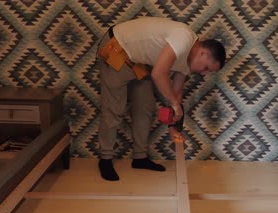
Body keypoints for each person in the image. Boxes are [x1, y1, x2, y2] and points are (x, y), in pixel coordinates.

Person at [96, 17, 226, 181]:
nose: (203, 73)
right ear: (203, 53)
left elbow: (176, 94)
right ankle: (105, 160)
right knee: (114, 108)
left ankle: (140, 158)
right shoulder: (183, 38)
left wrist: (173, 127)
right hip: (117, 48)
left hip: (138, 62)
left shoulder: (188, 63)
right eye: (206, 68)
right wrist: (173, 102)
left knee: (145, 107)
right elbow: (159, 74)